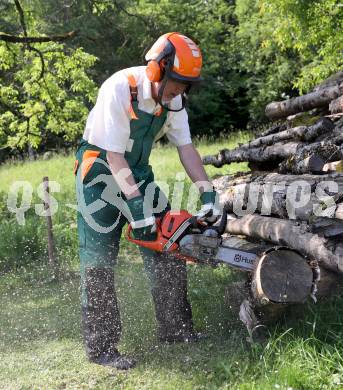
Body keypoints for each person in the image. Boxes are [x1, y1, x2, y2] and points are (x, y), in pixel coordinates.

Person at [74, 32, 220, 370]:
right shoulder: (120, 87)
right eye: (176, 83)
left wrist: (208, 192)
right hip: (97, 175)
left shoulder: (174, 101)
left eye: (185, 85)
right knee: (98, 260)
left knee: (169, 241)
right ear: (157, 70)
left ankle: (176, 328)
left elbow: (186, 149)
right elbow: (113, 154)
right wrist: (137, 210)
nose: (179, 91)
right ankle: (102, 348)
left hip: (136, 173)